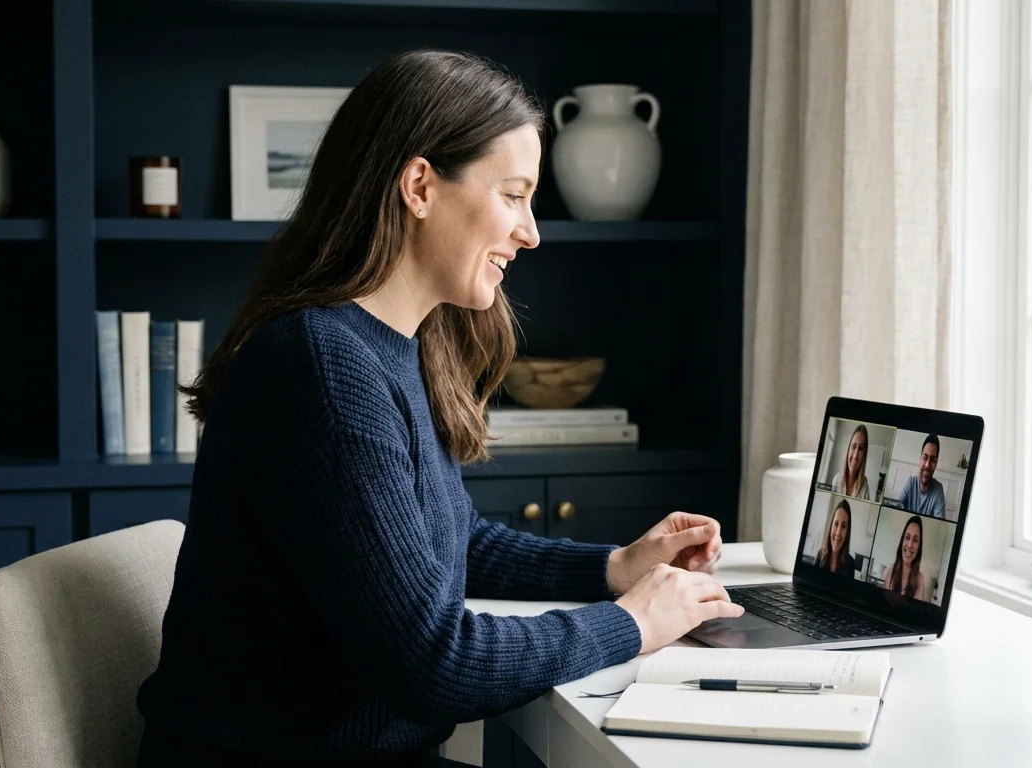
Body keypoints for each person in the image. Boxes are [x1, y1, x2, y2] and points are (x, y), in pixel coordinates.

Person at [132, 49, 744, 768]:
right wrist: (631, 622)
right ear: (420, 184)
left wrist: (616, 566)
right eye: (513, 195)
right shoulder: (322, 367)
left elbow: (451, 543)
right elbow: (433, 663)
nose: (531, 231)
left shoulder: (388, 345)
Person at [896, 434, 946, 519]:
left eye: (933, 460)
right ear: (920, 459)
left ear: (936, 464)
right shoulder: (910, 483)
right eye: (925, 457)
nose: (927, 465)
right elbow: (896, 512)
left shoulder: (938, 489)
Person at [883, 515, 926, 601]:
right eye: (907, 537)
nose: (909, 545)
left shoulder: (919, 580)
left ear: (919, 546)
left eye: (915, 540)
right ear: (902, 540)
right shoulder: (889, 571)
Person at [815, 499, 856, 577]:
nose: (838, 533)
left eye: (843, 526)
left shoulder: (851, 563)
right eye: (836, 524)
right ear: (831, 526)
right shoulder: (820, 555)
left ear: (847, 531)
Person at [831, 424, 872, 500]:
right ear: (848, 450)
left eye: (860, 448)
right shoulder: (836, 480)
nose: (855, 455)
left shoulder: (864, 486)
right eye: (853, 446)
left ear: (864, 455)